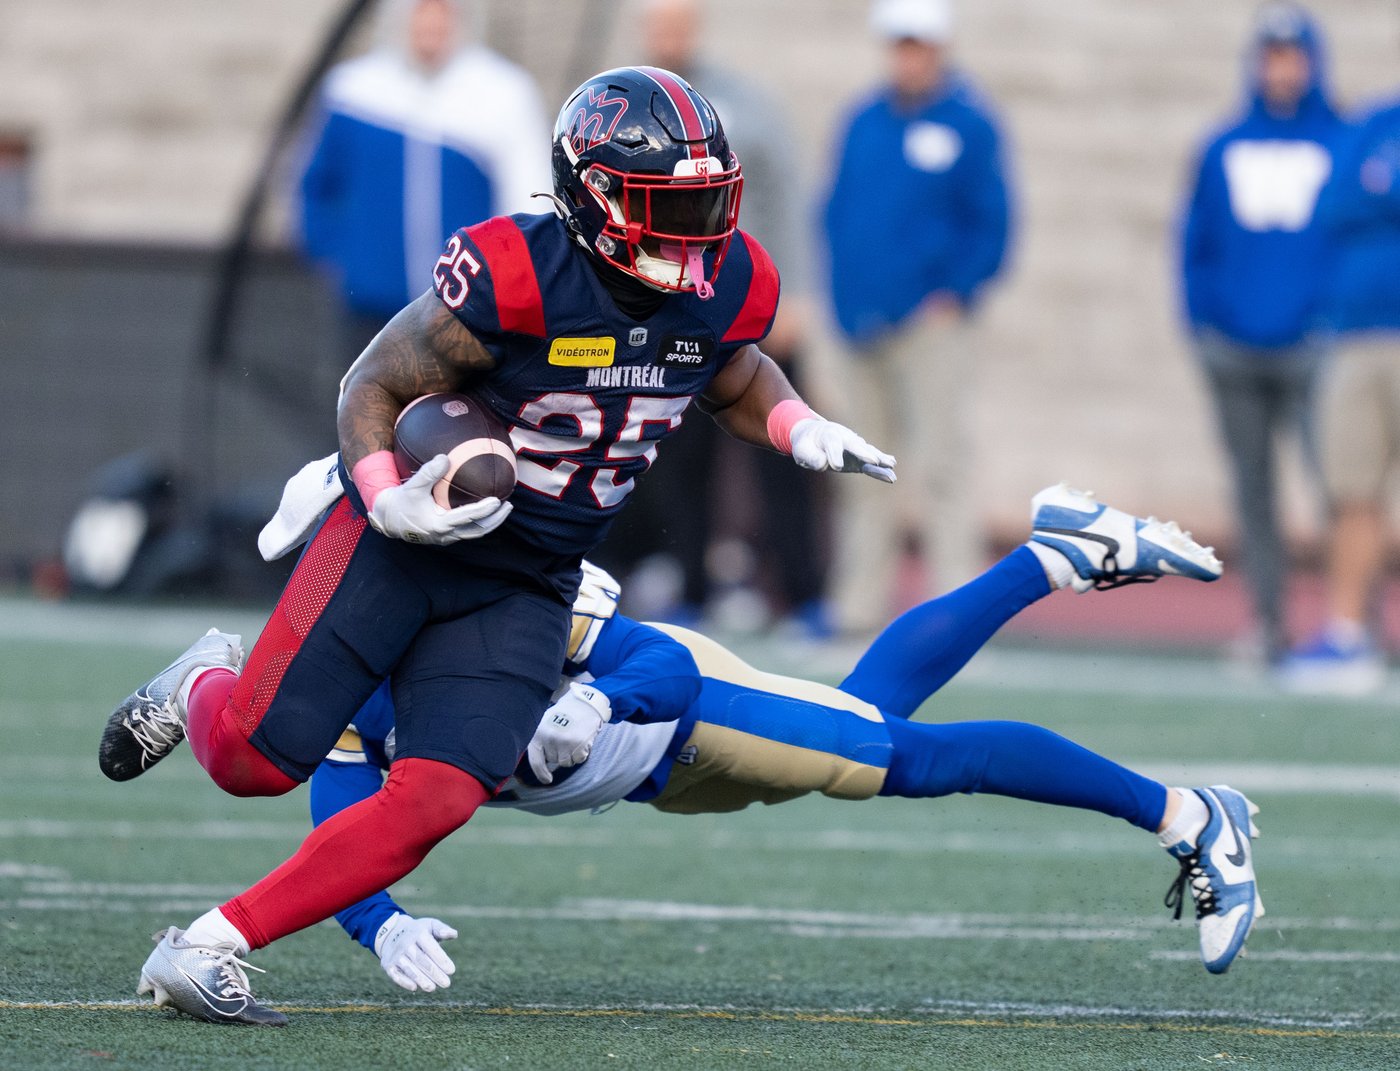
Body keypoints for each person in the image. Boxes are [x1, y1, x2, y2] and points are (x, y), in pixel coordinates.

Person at [97, 66, 895, 1027]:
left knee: (439, 794)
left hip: (527, 579)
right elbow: (373, 383)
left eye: (706, 203)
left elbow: (734, 371)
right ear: (593, 198)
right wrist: (385, 498)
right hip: (402, 545)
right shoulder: (517, 272)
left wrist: (798, 425)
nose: (694, 233)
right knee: (250, 763)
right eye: (666, 206)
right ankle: (200, 681)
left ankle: (206, 946)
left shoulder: (726, 279)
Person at [299, 484, 1260, 995]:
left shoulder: (503, 599)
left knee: (909, 758)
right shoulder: (355, 673)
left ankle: (1186, 813)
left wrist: (596, 703)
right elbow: (340, 810)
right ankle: (1060, 553)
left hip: (688, 713)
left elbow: (660, 666)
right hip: (653, 780)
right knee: (866, 714)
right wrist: (378, 920)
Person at [594, 0, 831, 635]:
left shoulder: (742, 103)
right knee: (675, 455)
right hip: (665, 307)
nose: (668, 35)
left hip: (745, 298)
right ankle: (690, 587)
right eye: (658, 23)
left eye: (678, 23)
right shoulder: (613, 110)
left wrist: (796, 292)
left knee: (783, 443)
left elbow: (786, 194)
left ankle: (803, 594)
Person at [821, 0, 1013, 635]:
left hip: (928, 324)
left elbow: (992, 223)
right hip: (859, 322)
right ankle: (856, 606)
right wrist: (841, 296)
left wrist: (954, 293)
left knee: (941, 466)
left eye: (918, 44)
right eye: (899, 44)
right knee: (860, 469)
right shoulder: (864, 119)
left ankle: (956, 612)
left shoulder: (968, 124)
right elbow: (837, 211)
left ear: (939, 48)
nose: (908, 57)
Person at [1179, 2, 1345, 668]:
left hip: (1312, 344)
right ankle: (1268, 620)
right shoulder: (1223, 144)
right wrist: (1204, 322)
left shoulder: (1340, 141)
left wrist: (1329, 318)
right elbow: (1196, 241)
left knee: (1340, 487)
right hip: (1235, 346)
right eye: (1271, 57)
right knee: (1253, 492)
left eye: (1292, 57)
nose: (1282, 71)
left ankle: (1349, 620)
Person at [298, 0, 551, 353]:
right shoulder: (353, 91)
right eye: (421, 13)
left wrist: (510, 280)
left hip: (470, 310)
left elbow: (530, 197)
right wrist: (340, 259)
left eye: (441, 14)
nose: (431, 27)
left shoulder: (503, 93)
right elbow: (317, 185)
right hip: (372, 305)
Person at [1280, 85, 1400, 694]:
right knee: (1353, 491)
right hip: (1356, 334)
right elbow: (1333, 205)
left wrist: (1378, 199)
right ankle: (1348, 634)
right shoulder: (1375, 122)